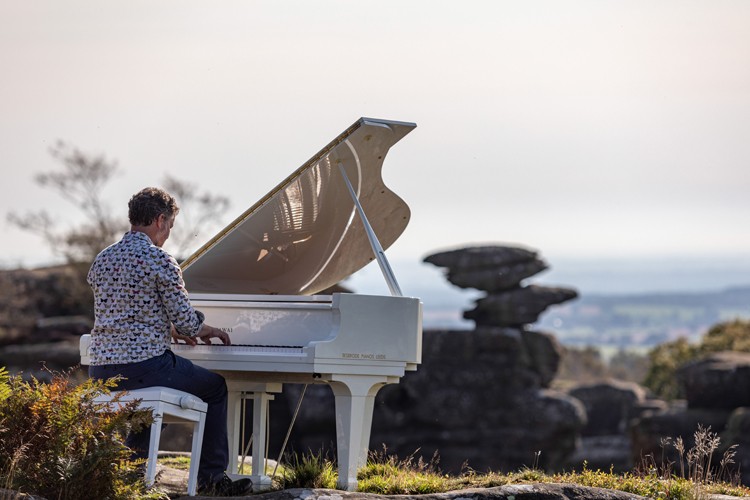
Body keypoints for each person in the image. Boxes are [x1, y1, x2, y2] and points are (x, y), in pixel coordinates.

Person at [87, 187, 252, 496]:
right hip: (144, 366)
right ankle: (212, 479)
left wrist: (165, 328)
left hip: (100, 370)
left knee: (156, 400)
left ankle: (132, 473)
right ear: (160, 220)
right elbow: (188, 321)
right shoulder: (160, 258)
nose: (168, 235)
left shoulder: (102, 259)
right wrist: (207, 329)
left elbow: (124, 310)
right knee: (215, 388)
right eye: (171, 227)